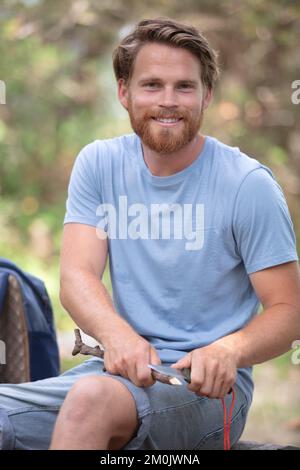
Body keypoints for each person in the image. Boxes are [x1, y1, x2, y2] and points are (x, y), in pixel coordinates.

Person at [0, 17, 299, 451]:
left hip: (205, 391)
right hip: (113, 375)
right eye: (152, 85)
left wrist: (230, 350)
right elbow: (77, 276)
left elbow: (289, 309)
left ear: (206, 95)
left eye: (184, 87)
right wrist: (119, 336)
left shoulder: (246, 184)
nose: (168, 101)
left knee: (93, 400)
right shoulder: (99, 165)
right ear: (124, 92)